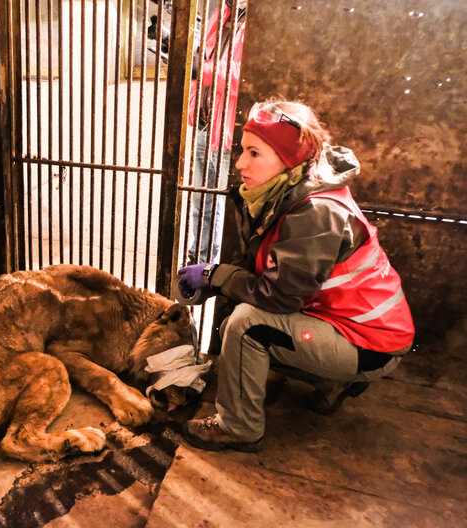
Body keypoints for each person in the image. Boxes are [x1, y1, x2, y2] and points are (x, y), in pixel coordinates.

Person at [175, 99, 414, 452]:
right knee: (237, 331)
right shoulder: (287, 192)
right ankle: (334, 382)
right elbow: (268, 268)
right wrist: (215, 280)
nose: (240, 163)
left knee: (246, 327)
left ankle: (239, 428)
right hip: (348, 325)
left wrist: (217, 276)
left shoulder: (315, 211)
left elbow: (280, 297)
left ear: (288, 159)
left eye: (254, 153)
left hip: (369, 342)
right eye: (242, 150)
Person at [186, 0, 246, 264]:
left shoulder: (262, 22)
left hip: (229, 129)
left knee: (217, 199)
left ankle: (208, 262)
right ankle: (197, 255)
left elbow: (243, 76)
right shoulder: (222, 13)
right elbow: (204, 57)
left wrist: (203, 71)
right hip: (206, 122)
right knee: (200, 197)